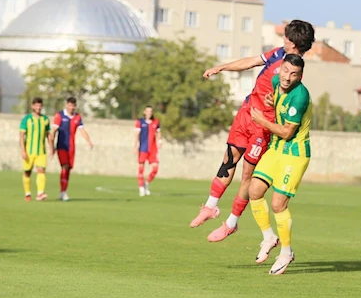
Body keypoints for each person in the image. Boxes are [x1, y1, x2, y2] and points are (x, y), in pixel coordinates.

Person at [190, 19, 315, 235]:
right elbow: (251, 62)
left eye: (286, 36)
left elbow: (287, 100)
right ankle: (210, 206)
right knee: (229, 159)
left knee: (247, 174)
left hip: (262, 125)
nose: (283, 38)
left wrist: (272, 104)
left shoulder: (293, 71)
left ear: (293, 42)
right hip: (246, 112)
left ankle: (231, 223)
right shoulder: (277, 54)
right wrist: (222, 67)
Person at [244, 55, 311, 275]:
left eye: (293, 74)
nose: (287, 77)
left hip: (294, 153)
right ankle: (268, 237)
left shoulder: (300, 96)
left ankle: (286, 252)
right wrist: (270, 102)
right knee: (253, 190)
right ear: (280, 70)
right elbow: (274, 102)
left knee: (278, 205)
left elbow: (287, 131)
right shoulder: (275, 82)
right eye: (285, 71)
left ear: (300, 76)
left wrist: (261, 121)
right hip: (276, 149)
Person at [50, 96, 94, 201]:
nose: (71, 107)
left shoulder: (77, 117)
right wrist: (51, 146)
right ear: (66, 105)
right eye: (70, 105)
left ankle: (63, 191)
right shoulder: (59, 116)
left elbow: (82, 130)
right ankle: (63, 192)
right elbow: (54, 131)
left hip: (71, 147)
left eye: (73, 105)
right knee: (64, 167)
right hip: (61, 146)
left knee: (68, 168)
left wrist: (89, 141)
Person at [19, 97, 53, 201]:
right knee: (27, 172)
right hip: (29, 151)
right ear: (32, 106)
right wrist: (23, 150)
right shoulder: (27, 119)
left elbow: (48, 135)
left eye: (40, 105)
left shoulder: (45, 119)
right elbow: (21, 135)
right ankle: (27, 194)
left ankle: (40, 193)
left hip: (41, 151)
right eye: (36, 105)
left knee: (41, 170)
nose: (38, 107)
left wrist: (52, 147)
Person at [134, 105, 161, 196]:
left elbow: (158, 133)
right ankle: (141, 188)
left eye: (151, 111)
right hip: (143, 149)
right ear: (144, 112)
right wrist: (135, 146)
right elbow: (137, 134)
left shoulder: (156, 122)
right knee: (141, 169)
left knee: (155, 169)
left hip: (153, 149)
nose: (149, 113)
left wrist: (160, 141)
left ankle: (146, 183)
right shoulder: (140, 122)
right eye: (147, 111)